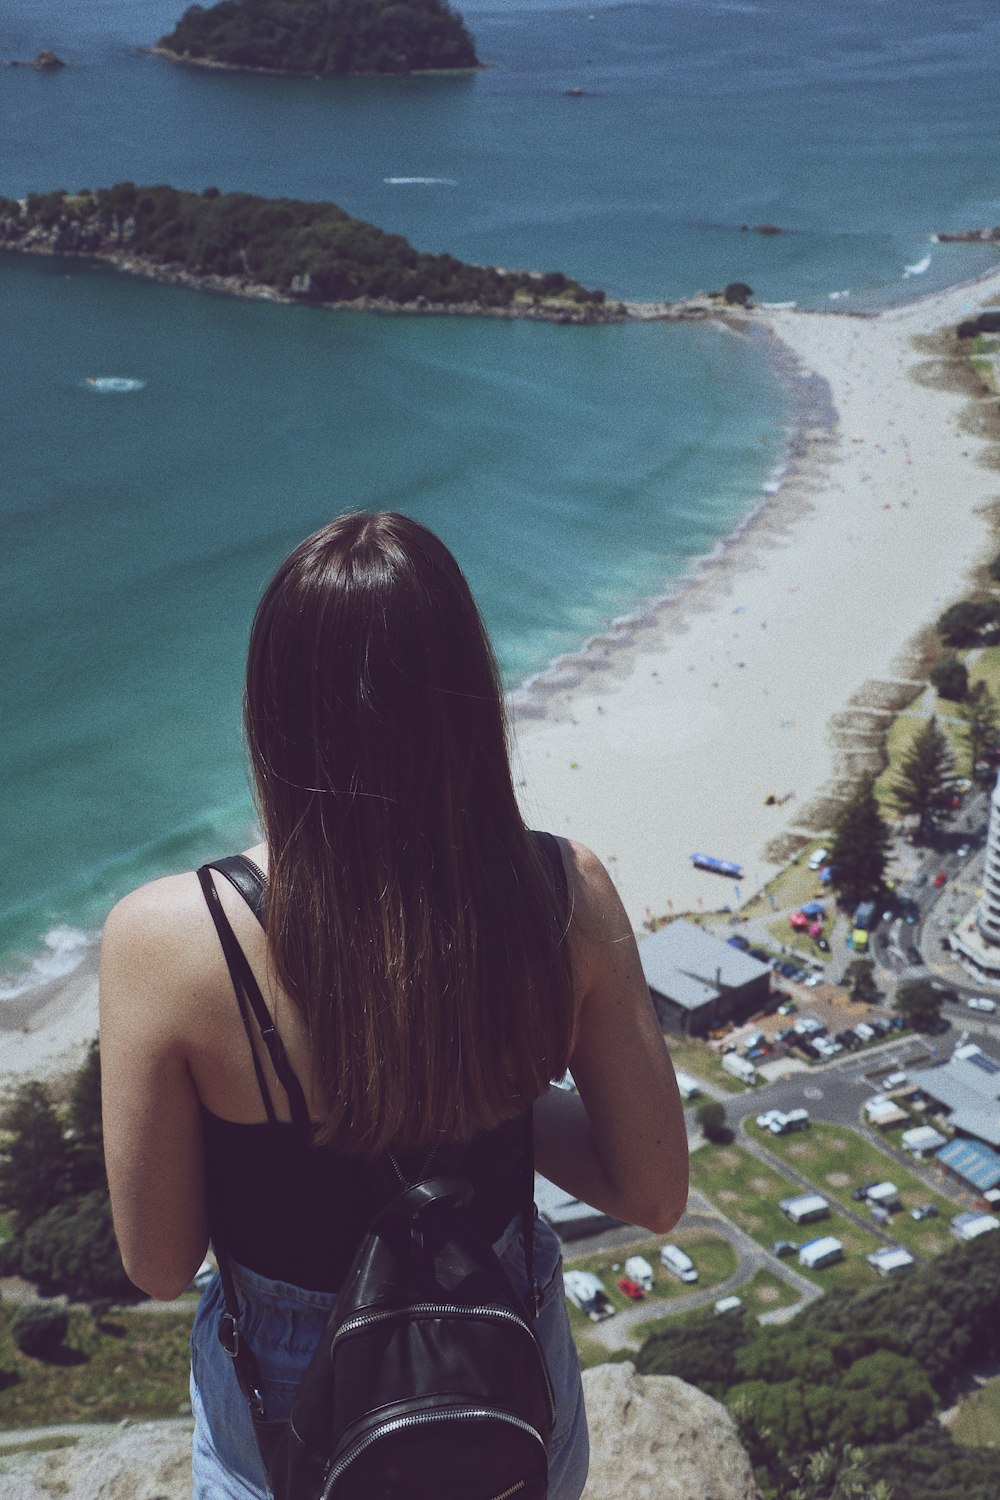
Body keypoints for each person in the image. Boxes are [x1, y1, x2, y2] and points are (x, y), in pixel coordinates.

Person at [100, 510, 688, 1500]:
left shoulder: (169, 939)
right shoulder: (560, 893)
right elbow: (653, 1192)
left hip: (296, 1394)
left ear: (270, 706)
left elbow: (159, 1264)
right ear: (468, 697)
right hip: (500, 1360)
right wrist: (470, 1079)